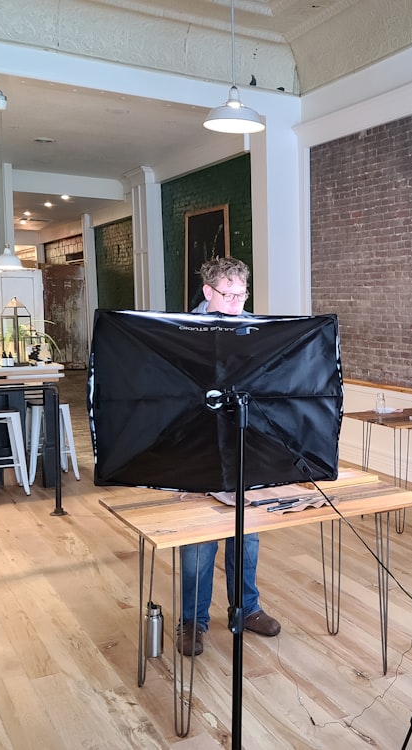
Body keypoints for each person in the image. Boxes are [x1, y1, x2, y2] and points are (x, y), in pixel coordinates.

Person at [177, 256, 281, 657]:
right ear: (208, 292)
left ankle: (246, 609)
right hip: (200, 447)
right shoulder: (184, 333)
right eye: (229, 294)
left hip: (244, 444)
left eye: (242, 294)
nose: (238, 302)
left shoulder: (254, 329)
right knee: (199, 544)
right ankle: (193, 621)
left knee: (247, 535)